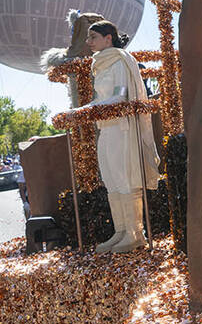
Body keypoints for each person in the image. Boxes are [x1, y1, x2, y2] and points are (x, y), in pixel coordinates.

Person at [67, 21, 160, 254]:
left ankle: (135, 233)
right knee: (110, 178)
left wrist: (85, 111)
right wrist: (84, 110)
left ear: (108, 38)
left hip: (122, 127)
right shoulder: (99, 64)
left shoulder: (119, 59)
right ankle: (120, 231)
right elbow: (101, 99)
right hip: (106, 128)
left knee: (124, 176)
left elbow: (119, 97)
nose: (88, 42)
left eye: (93, 37)